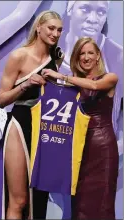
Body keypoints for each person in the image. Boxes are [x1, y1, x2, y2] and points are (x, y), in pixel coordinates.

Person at [42, 37, 119, 219]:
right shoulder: (74, 84)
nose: (86, 57)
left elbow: (94, 85)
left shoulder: (110, 78)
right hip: (79, 149)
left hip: (102, 148)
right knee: (80, 206)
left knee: (102, 204)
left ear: (98, 56)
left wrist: (62, 76)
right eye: (81, 53)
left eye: (90, 53)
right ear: (76, 58)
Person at [0, 10, 63, 220]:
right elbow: (1, 100)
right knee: (19, 200)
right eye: (51, 28)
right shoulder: (19, 56)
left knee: (39, 197)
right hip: (20, 122)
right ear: (39, 28)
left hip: (44, 128)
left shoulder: (57, 58)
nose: (55, 33)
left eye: (59, 30)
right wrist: (26, 84)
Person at [59, 0, 123, 136]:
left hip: (99, 141)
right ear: (70, 10)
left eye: (100, 12)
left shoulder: (118, 57)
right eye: (85, 9)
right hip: (57, 141)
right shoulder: (50, 52)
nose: (93, 19)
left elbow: (95, 85)